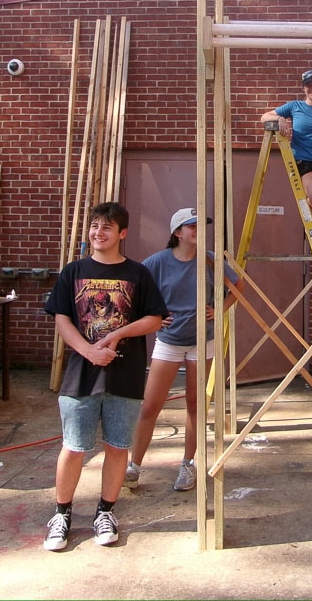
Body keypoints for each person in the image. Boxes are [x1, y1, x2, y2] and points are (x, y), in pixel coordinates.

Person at [42, 202, 167, 552]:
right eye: (95, 226)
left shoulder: (138, 274)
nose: (99, 232)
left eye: (107, 227)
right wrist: (89, 350)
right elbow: (62, 319)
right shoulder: (73, 271)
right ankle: (61, 514)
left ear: (122, 234)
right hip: (81, 375)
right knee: (74, 447)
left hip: (125, 376)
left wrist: (118, 334)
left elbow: (155, 318)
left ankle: (106, 512)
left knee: (117, 447)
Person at [125, 207, 244, 492]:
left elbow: (238, 287)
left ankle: (187, 464)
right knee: (150, 405)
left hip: (203, 341)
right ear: (178, 232)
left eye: (202, 225)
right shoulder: (157, 262)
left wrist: (219, 310)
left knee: (195, 405)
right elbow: (132, 293)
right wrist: (153, 317)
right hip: (168, 341)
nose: (198, 231)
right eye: (192, 226)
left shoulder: (212, 262)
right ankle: (133, 466)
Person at [261, 69, 312, 251]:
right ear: (304, 88)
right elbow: (264, 116)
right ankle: (310, 211)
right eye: (309, 85)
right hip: (304, 161)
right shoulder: (294, 106)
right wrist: (280, 118)